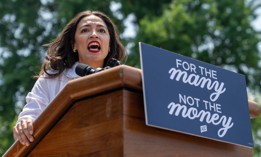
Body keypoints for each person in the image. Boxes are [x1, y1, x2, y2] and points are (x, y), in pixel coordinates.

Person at [13, 10, 126, 146]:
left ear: (109, 46)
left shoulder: (123, 81)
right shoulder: (52, 79)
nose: (94, 35)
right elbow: (30, 116)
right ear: (74, 44)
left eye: (101, 31)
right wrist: (24, 125)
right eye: (85, 30)